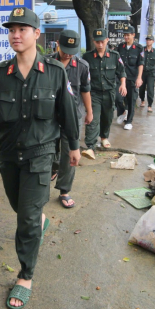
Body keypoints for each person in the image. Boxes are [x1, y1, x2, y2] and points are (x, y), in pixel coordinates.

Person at [0, 7, 80, 309]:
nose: (15, 35)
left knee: (26, 218)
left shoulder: (55, 72)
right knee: (21, 208)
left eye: (22, 29)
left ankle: (25, 276)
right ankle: (37, 219)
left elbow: (67, 113)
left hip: (41, 154)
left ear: (36, 34)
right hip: (9, 155)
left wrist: (74, 145)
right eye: (12, 30)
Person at [49, 30, 93, 208]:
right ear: (58, 43)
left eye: (72, 49)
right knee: (48, 148)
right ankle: (53, 168)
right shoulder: (48, 62)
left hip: (72, 116)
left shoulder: (82, 66)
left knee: (70, 153)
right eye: (65, 48)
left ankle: (64, 190)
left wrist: (89, 112)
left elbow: (85, 90)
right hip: (49, 115)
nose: (68, 53)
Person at [81, 28, 127, 159]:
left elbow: (122, 72)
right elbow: (82, 75)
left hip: (109, 92)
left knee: (107, 117)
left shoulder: (114, 56)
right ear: (93, 42)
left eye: (102, 42)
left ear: (107, 40)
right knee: (92, 119)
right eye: (97, 42)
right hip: (93, 93)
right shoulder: (87, 57)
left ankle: (104, 137)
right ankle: (90, 147)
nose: (100, 45)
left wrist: (123, 84)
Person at [115, 26, 144, 130]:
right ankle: (122, 112)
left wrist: (139, 77)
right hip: (120, 77)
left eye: (128, 35)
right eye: (125, 35)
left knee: (131, 99)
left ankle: (129, 121)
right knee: (117, 97)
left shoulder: (139, 48)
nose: (126, 37)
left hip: (132, 77)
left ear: (133, 35)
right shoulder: (120, 47)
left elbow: (140, 63)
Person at [138, 35, 155, 112]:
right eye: (147, 40)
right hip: (143, 72)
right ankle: (142, 100)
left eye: (150, 40)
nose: (148, 41)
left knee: (150, 89)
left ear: (153, 41)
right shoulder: (142, 50)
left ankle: (150, 105)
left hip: (151, 73)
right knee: (141, 88)